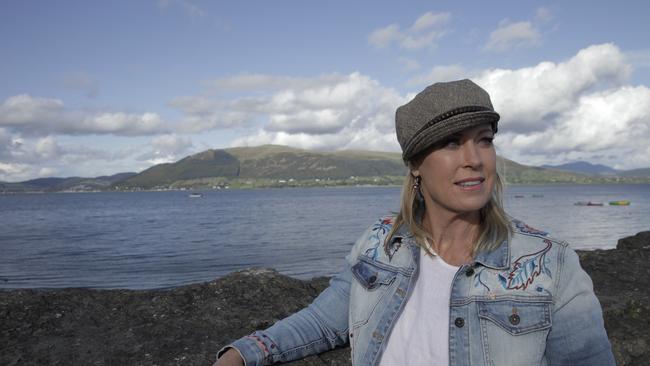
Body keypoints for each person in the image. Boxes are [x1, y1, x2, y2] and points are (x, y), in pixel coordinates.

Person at [215, 79, 615, 365]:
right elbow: (325, 320)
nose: (474, 158)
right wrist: (242, 353)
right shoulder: (380, 245)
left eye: (484, 139)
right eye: (451, 143)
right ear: (415, 165)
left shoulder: (551, 264)